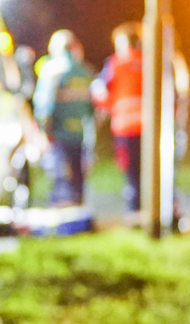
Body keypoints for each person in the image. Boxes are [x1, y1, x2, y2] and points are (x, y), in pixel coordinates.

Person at [33, 30, 96, 205]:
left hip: (58, 134)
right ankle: (79, 211)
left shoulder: (52, 70)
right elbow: (95, 108)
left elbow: (43, 106)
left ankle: (64, 217)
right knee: (79, 176)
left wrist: (42, 132)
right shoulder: (85, 71)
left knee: (61, 178)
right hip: (81, 135)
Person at [93, 22, 146, 211]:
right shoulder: (148, 61)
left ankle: (134, 210)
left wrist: (103, 109)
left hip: (125, 126)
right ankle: (150, 208)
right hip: (149, 127)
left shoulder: (116, 62)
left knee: (131, 172)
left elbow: (102, 92)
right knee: (148, 169)